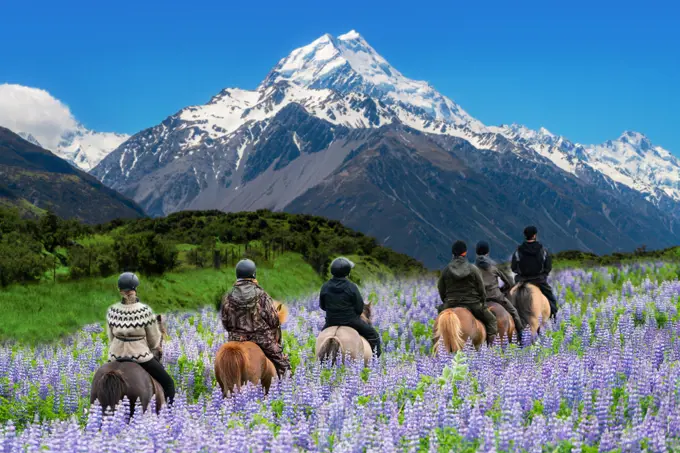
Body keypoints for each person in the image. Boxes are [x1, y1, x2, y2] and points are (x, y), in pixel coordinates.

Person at [106, 272, 176, 404]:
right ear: (135, 289)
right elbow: (154, 341)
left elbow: (111, 338)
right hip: (140, 356)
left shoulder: (112, 311)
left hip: (115, 356)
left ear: (120, 290)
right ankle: (170, 417)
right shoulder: (144, 311)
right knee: (168, 383)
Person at [221, 259, 291, 378]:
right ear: (253, 274)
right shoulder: (261, 294)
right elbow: (273, 320)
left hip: (235, 339)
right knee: (282, 362)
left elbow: (225, 322)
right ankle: (286, 384)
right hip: (261, 338)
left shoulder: (228, 295)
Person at [437, 240, 498, 344]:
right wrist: (482, 302)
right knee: (491, 320)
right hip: (472, 303)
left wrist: (446, 302)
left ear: (453, 254)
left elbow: (440, 288)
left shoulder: (446, 270)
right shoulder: (472, 268)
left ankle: (436, 346)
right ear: (465, 253)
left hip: (451, 302)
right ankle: (491, 348)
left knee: (439, 319)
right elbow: (481, 288)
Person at [319, 257, 382, 357]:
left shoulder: (325, 286)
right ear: (347, 272)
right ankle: (376, 362)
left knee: (320, 337)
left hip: (331, 321)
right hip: (351, 321)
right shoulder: (351, 286)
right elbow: (359, 308)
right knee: (373, 335)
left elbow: (322, 306)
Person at [475, 241, 525, 334]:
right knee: (514, 312)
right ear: (487, 253)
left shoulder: (473, 269)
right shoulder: (493, 268)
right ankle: (521, 334)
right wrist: (501, 290)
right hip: (496, 297)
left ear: (476, 253)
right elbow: (508, 283)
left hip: (480, 299)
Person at [511, 226, 558, 318]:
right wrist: (543, 275)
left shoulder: (518, 251)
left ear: (525, 236)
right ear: (534, 236)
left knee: (509, 298)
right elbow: (548, 267)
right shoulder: (543, 250)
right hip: (539, 280)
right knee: (551, 299)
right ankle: (554, 318)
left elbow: (513, 268)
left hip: (522, 281)